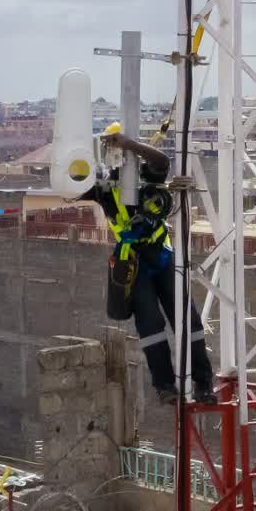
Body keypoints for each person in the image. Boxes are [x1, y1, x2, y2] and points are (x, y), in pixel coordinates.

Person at [79, 127, 216, 404]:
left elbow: (162, 162)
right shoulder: (104, 185)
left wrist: (131, 144)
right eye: (114, 148)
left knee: (186, 319)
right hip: (134, 261)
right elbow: (72, 186)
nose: (118, 154)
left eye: (121, 148)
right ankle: (164, 385)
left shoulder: (146, 175)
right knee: (150, 324)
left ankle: (203, 383)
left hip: (161, 255)